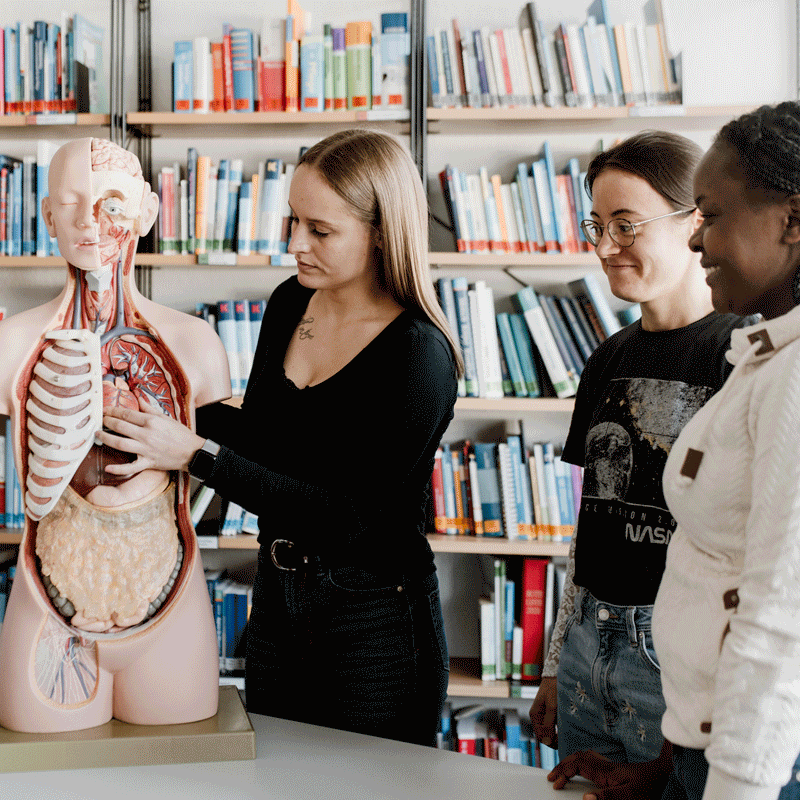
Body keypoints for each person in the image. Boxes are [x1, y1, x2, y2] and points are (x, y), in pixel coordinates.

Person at [100, 128, 462, 747]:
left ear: (381, 233)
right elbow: (268, 442)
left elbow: (349, 516)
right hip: (277, 601)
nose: (295, 244)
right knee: (274, 777)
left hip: (373, 619)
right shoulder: (291, 301)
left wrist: (195, 455)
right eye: (293, 220)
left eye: (320, 231)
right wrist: (165, 407)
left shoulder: (418, 354)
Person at [546, 102, 800, 800]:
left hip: (681, 661)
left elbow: (776, 606)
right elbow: (590, 524)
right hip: (602, 645)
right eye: (596, 226)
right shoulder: (612, 359)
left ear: (693, 218)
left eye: (626, 225)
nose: (604, 246)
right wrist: (554, 662)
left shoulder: (749, 356)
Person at [0, 138, 227, 732]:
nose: (89, 222)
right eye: (70, 204)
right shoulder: (11, 346)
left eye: (110, 203)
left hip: (168, 596)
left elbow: (233, 465)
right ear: (46, 215)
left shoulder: (196, 344)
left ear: (148, 214)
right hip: (49, 595)